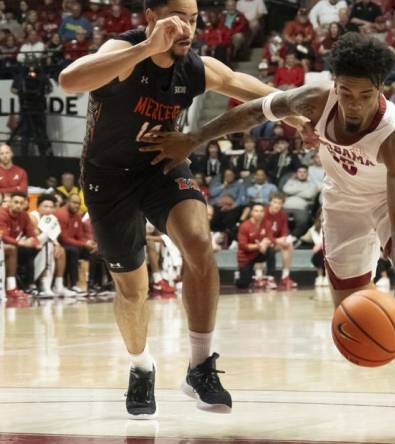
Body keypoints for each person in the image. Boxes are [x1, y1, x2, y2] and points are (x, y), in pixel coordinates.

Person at [138, 32, 395, 437]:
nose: (354, 104)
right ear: (334, 84)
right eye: (346, 92)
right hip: (342, 204)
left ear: (381, 91)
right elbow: (251, 113)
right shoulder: (315, 100)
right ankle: (383, 323)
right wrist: (193, 139)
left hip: (394, 203)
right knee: (352, 318)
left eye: (365, 95)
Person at [56, 0, 309, 419]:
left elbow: (242, 84)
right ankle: (141, 366)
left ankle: (200, 364)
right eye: (178, 18)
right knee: (134, 291)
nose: (189, 28)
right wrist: (144, 47)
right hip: (108, 178)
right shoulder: (122, 52)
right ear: (152, 17)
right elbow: (68, 79)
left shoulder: (192, 67)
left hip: (161, 165)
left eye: (193, 19)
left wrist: (299, 115)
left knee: (198, 242)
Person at [55, 193, 97, 294]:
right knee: (73, 251)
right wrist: (83, 244)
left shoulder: (77, 215)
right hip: (60, 245)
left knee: (93, 252)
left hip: (74, 244)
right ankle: (73, 285)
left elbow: (80, 235)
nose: (77, 206)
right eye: (74, 203)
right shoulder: (61, 214)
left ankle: (90, 284)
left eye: (78, 203)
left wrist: (88, 243)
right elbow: (63, 238)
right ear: (68, 202)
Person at [0, 192, 40, 298]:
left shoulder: (24, 215)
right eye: (16, 202)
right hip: (4, 245)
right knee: (13, 249)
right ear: (10, 203)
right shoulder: (2, 214)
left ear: (25, 205)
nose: (18, 205)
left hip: (14, 246)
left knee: (32, 250)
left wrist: (35, 242)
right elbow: (3, 237)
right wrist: (20, 242)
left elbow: (31, 234)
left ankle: (30, 285)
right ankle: (11, 288)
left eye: (21, 203)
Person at [235, 203, 276, 289]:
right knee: (243, 284)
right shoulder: (244, 226)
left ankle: (270, 278)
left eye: (261, 211)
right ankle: (239, 275)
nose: (259, 213)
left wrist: (265, 243)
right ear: (251, 213)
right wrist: (258, 246)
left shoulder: (267, 223)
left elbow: (271, 239)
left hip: (259, 253)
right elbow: (243, 246)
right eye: (256, 211)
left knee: (271, 250)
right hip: (246, 257)